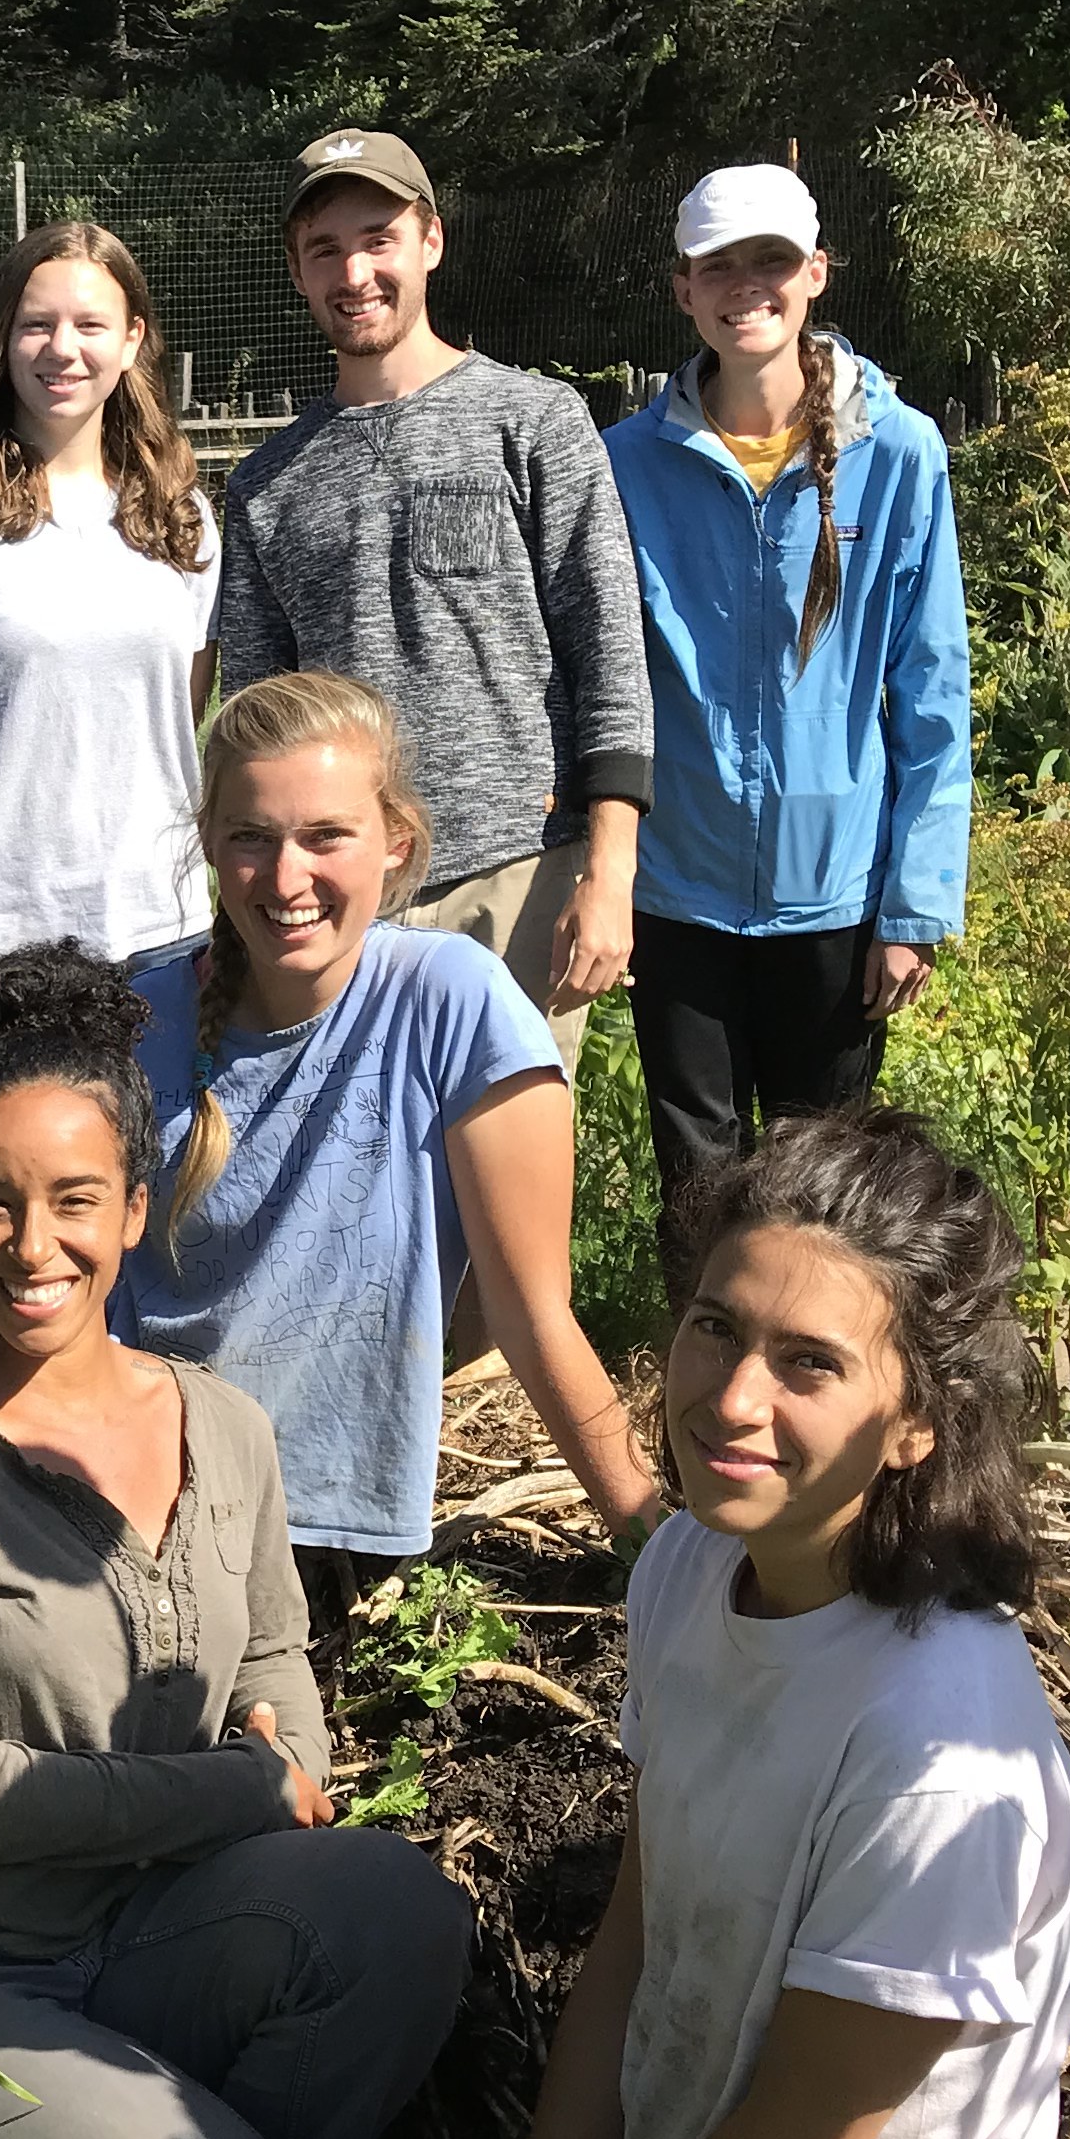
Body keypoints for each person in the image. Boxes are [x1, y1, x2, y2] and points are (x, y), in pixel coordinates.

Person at [0, 944, 472, 2139]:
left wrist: (286, 1753)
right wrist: (231, 1788)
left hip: (158, 1929)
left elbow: (281, 1670)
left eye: (72, 1201)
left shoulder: (221, 1426)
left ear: (137, 1201)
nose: (30, 1247)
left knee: (400, 1917)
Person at [495, 1106, 1070, 2139]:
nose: (731, 1399)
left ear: (917, 1428)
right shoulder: (688, 1571)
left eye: (808, 1364)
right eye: (717, 1327)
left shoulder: (939, 1748)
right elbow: (636, 1948)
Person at [124, 673, 658, 1618]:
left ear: (395, 843)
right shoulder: (136, 1017)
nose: (287, 879)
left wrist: (658, 1549)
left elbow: (536, 1319)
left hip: (318, 1535)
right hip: (126, 1495)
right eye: (251, 837)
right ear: (209, 842)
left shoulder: (448, 1003)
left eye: (326, 836)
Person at [216, 129, 652, 1070]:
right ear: (297, 271)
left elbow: (609, 648)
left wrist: (609, 865)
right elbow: (256, 719)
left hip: (519, 873)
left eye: (378, 238)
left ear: (431, 242)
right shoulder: (264, 486)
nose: (355, 271)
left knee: (506, 1181)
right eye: (325, 249)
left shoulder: (535, 421)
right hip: (340, 893)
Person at [602, 165, 972, 1207]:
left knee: (825, 1190)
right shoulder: (625, 463)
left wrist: (916, 903)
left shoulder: (898, 453)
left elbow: (933, 686)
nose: (746, 285)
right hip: (676, 888)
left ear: (815, 273)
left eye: (771, 259)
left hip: (836, 892)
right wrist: (603, 871)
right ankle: (702, 1366)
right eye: (719, 264)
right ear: (683, 289)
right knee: (699, 1183)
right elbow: (597, 676)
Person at [0, 221, 221, 989]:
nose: (62, 348)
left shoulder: (182, 520)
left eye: (90, 325)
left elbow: (186, 701)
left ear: (132, 338)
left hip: (158, 931)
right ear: (4, 336)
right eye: (36, 324)